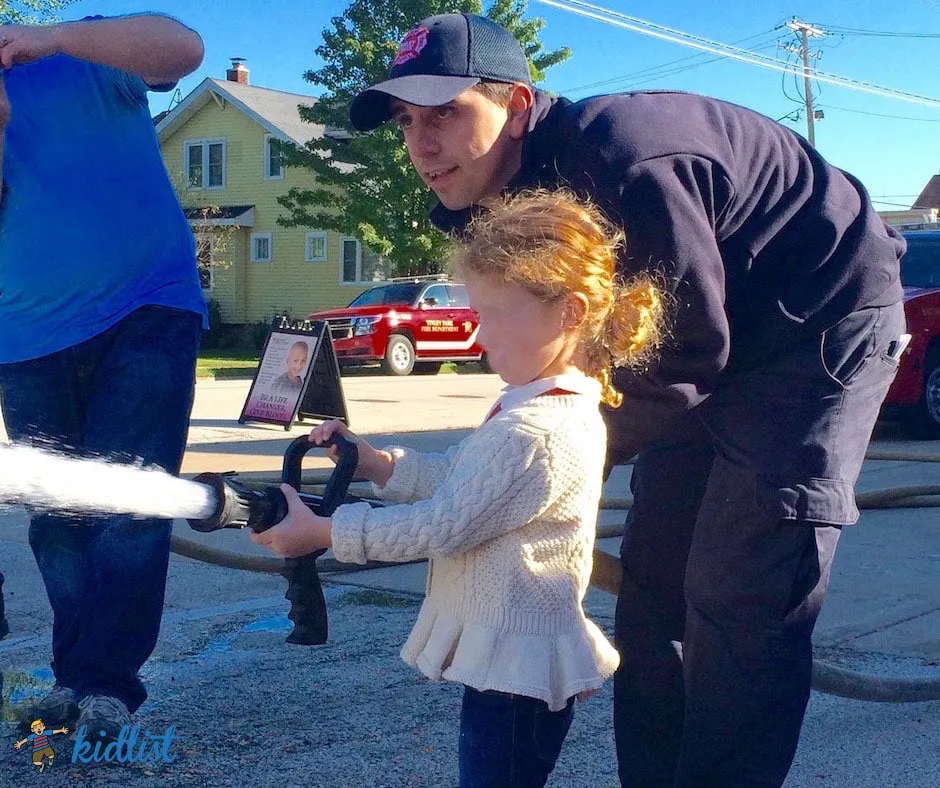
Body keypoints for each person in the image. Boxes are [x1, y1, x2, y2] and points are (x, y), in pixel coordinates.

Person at [346, 13, 907, 787]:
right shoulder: (487, 196)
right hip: (698, 336)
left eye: (444, 112)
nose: (420, 142)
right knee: (657, 585)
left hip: (813, 321)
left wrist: (537, 453)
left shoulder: (624, 158)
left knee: (739, 586)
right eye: (407, 121)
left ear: (514, 105)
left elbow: (681, 358)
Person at [251, 189, 663, 788]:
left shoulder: (539, 429)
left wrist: (325, 532)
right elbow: (463, 481)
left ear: (570, 313)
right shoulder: (537, 403)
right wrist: (377, 464)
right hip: (508, 658)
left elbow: (442, 524)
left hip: (517, 670)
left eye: (494, 314)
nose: (476, 335)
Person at [0, 14, 206, 742]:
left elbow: (184, 49)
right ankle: (74, 678)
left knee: (127, 504)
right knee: (58, 517)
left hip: (147, 304)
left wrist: (52, 40)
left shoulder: (82, 44)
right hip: (24, 333)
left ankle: (107, 685)